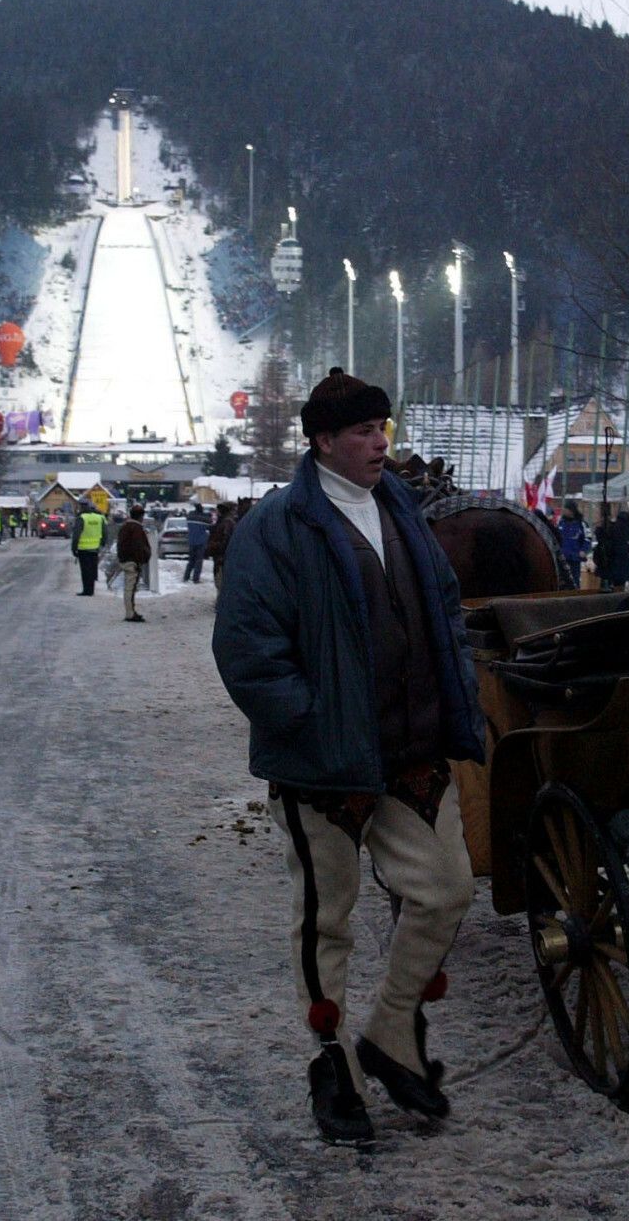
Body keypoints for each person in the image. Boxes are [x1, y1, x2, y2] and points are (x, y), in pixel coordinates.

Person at [212, 368, 481, 1148]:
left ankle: (391, 1027)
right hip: (322, 767)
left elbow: (447, 613)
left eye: (383, 429)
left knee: (446, 890)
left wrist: (453, 690)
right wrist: (312, 722)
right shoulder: (278, 525)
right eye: (363, 432)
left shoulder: (402, 509)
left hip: (412, 754)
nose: (380, 443)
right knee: (325, 920)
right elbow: (246, 650)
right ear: (322, 440)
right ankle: (333, 1061)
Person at [115, 502, 151, 621]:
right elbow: (138, 546)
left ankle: (131, 611)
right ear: (141, 516)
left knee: (129, 587)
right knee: (130, 588)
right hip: (132, 561)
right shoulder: (136, 528)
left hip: (126, 560)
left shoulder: (125, 526)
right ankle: (130, 613)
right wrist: (140, 560)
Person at [594, 510, 629, 590]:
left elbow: (599, 538)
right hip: (622, 566)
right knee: (619, 589)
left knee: (605, 589)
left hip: (607, 564)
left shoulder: (610, 527)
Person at [72, 502, 106, 594]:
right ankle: (91, 590)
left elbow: (76, 535)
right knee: (92, 569)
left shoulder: (81, 518)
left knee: (85, 570)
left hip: (83, 549)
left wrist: (73, 548)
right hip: (95, 548)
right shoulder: (99, 518)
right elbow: (105, 532)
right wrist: (102, 544)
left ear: (82, 508)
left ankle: (86, 590)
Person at [556, 501, 590, 587]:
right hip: (562, 558)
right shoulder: (561, 523)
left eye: (566, 509)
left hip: (574, 558)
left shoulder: (581, 524)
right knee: (562, 582)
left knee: (574, 581)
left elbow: (588, 538)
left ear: (571, 511)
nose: (564, 510)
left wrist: (583, 550)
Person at [183, 502, 212, 582]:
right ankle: (196, 579)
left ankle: (186, 577)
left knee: (191, 561)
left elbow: (188, 517)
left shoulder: (190, 517)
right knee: (198, 561)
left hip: (191, 541)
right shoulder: (204, 518)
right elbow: (210, 524)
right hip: (201, 542)